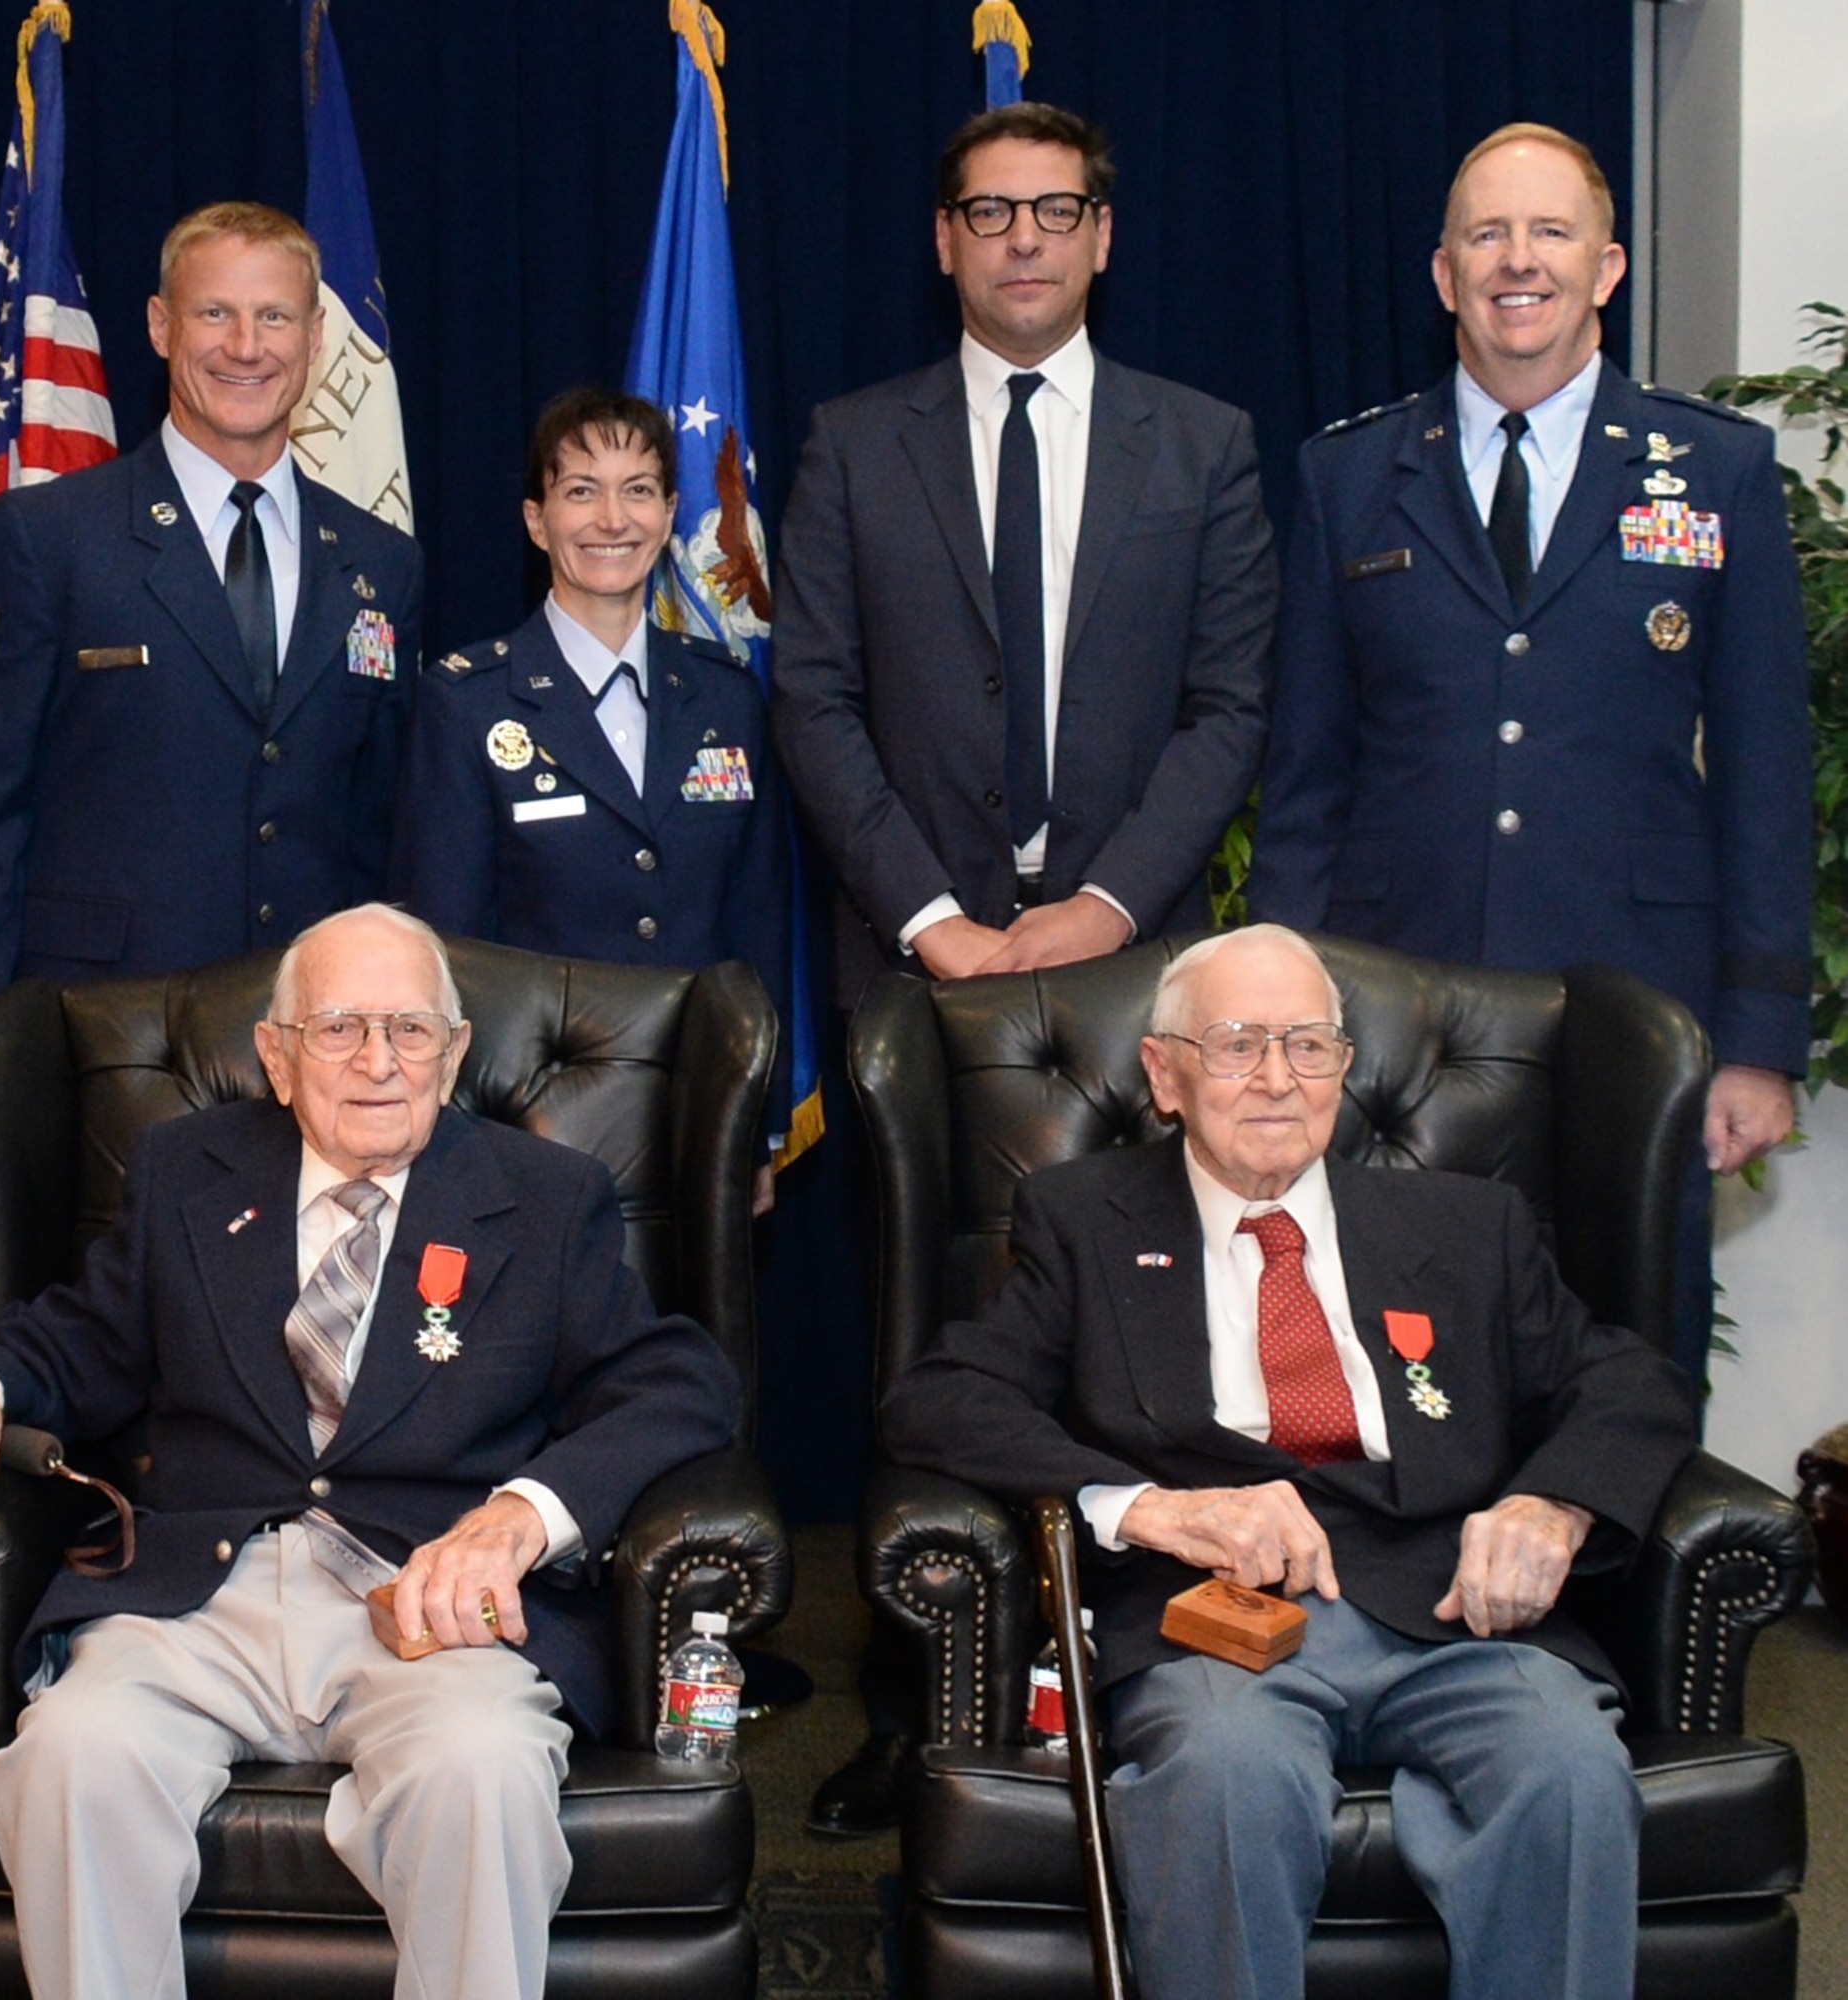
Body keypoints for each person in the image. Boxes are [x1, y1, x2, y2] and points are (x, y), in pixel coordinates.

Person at [0, 902, 738, 2000]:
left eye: (412, 1031)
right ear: (276, 1057)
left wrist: (524, 1513)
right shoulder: (187, 1167)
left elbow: (681, 1380)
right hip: (196, 1601)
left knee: (483, 1773)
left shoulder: (546, 1198)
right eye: (338, 1029)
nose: (378, 1061)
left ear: (456, 1051)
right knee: (70, 1758)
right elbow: (81, 1340)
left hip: (423, 1602)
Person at [882, 925, 1697, 2000]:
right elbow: (939, 1400)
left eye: (1308, 1045)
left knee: (1569, 1773)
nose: (1277, 1078)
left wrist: (1553, 1503)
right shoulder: (1084, 1219)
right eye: (1236, 1044)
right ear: (1165, 1073)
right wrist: (1151, 1507)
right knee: (1227, 1780)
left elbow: (1631, 1381)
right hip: (1213, 1617)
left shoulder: (1465, 1225)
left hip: (1451, 1606)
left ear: (1345, 1070)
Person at [1249, 123, 1812, 1385]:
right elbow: (1306, 777)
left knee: (1625, 1358)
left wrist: (1761, 1035)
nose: (1520, 261)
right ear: (1443, 274)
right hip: (1396, 1015)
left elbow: (1769, 767)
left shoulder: (1715, 469)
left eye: (1550, 231)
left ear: (1606, 266)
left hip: (1634, 1003)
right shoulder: (1348, 475)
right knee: (1406, 1359)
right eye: (1486, 235)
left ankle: (1619, 1584)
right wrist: (1274, 1021)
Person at [770, 101, 1275, 1007]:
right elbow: (814, 701)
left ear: (1101, 234)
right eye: (991, 212)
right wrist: (931, 920)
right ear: (944, 238)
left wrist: (1106, 908)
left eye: (1056, 210)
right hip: (913, 971)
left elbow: (1229, 710)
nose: (1025, 240)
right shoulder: (851, 447)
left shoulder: (1204, 445)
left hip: (1139, 960)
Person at [0, 201, 423, 1056]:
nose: (245, 346)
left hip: (319, 1054)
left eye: (274, 316)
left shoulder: (382, 562)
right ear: (160, 325)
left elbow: (384, 833)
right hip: (105, 1044)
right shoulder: (44, 537)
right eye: (214, 312)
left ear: (315, 336)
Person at [391, 388, 789, 1200]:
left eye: (637, 490)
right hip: (527, 1122)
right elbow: (446, 945)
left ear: (671, 512)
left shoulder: (726, 697)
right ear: (537, 521)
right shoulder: (468, 701)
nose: (613, 519)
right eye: (581, 491)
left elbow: (758, 925)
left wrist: (762, 1119)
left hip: (702, 1106)